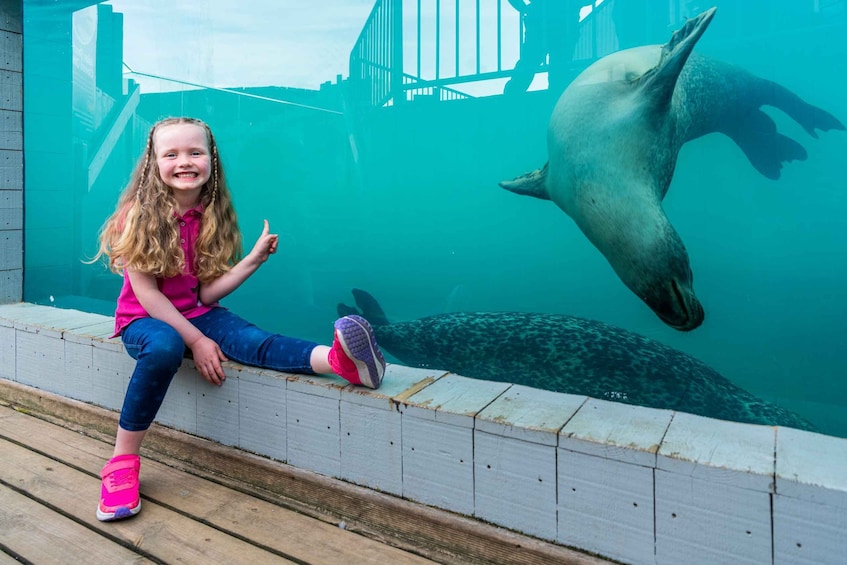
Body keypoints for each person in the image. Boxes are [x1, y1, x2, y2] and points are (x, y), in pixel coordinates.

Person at [90, 116, 386, 522]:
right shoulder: (138, 216)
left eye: (195, 152)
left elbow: (203, 295)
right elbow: (149, 296)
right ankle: (122, 461)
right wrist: (196, 340)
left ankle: (339, 361)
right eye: (171, 154)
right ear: (152, 164)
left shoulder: (208, 215)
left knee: (251, 339)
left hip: (194, 313)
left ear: (211, 159)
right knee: (165, 346)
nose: (184, 161)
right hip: (145, 319)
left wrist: (252, 261)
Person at [504, 0, 582, 96]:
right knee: (558, 71)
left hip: (541, 21)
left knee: (529, 65)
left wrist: (523, 8)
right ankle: (553, 102)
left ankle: (510, 97)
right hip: (564, 22)